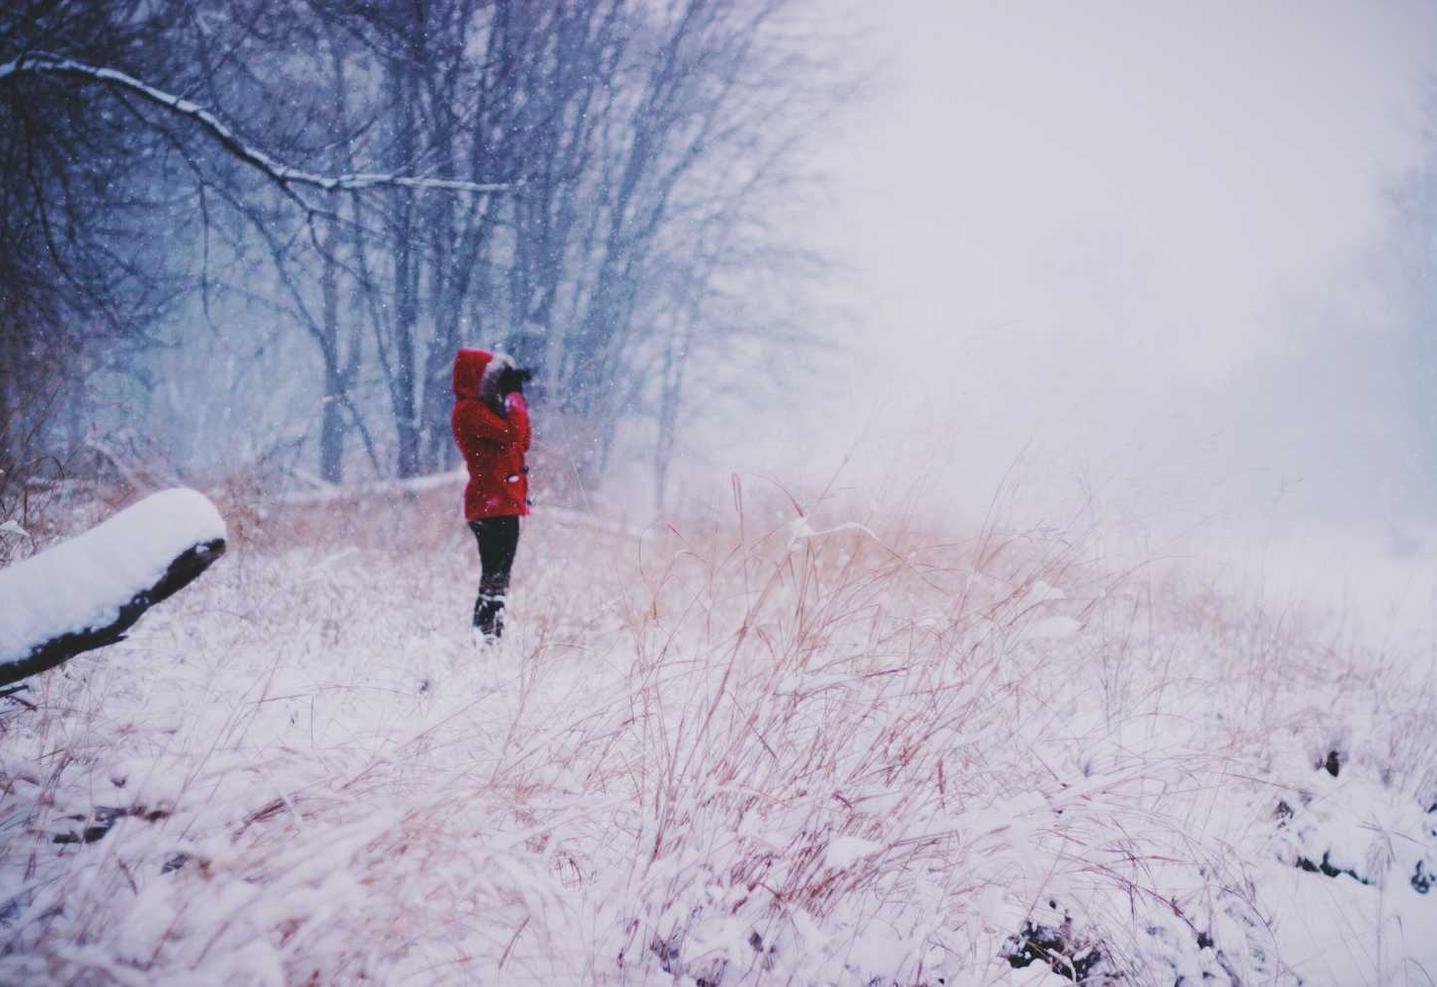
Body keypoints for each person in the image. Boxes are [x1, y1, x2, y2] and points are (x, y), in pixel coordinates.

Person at [451, 348, 532, 643]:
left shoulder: (485, 410)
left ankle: (489, 637)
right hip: (492, 504)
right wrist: (514, 398)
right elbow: (512, 435)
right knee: (495, 577)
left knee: (498, 577)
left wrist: (513, 400)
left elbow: (523, 440)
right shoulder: (469, 411)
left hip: (501, 502)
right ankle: (486, 638)